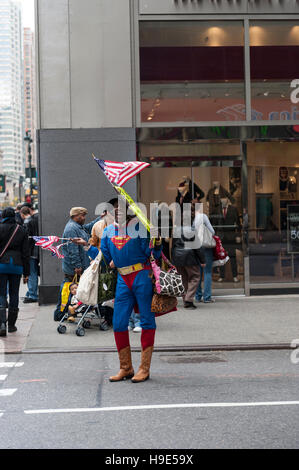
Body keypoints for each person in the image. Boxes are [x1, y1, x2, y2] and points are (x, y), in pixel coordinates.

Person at [100, 201, 162, 383]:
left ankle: (144, 368)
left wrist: (157, 244)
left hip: (141, 276)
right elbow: (106, 257)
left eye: (121, 208)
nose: (118, 211)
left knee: (147, 321)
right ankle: (125, 367)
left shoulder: (140, 228)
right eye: (115, 209)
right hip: (122, 279)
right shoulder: (107, 231)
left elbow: (153, 255)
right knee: (118, 323)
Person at [0, 207, 30, 336]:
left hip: (1, 265)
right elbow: (25, 253)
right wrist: (26, 273)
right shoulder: (21, 230)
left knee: (1, 294)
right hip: (17, 265)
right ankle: (12, 325)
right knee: (14, 294)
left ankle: (2, 324)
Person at [171, 203, 206, 309]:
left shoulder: (176, 230)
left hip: (178, 258)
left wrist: (172, 259)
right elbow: (197, 247)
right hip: (189, 257)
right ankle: (189, 300)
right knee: (195, 277)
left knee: (183, 279)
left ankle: (185, 299)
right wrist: (202, 260)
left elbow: (173, 246)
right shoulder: (191, 230)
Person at [194, 212, 216, 303]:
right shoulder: (204, 217)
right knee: (207, 272)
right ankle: (207, 297)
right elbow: (212, 231)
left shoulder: (193, 221)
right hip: (206, 248)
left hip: (196, 248)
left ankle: (198, 296)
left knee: (198, 273)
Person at [21, 204, 40, 303]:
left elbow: (26, 239)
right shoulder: (37, 219)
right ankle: (31, 293)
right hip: (38, 250)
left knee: (31, 273)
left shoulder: (27, 222)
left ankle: (32, 294)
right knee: (34, 272)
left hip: (31, 251)